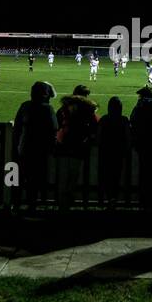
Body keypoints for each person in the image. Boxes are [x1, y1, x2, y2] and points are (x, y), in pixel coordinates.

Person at [13, 81, 57, 211]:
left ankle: (15, 205)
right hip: (39, 150)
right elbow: (54, 128)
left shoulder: (25, 106)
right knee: (35, 180)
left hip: (23, 148)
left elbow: (17, 126)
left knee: (18, 178)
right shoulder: (48, 109)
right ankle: (32, 206)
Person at [54, 84, 99, 212]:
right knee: (72, 179)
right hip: (78, 148)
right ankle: (66, 207)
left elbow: (57, 124)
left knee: (63, 179)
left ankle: (62, 208)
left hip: (63, 147)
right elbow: (95, 126)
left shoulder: (64, 107)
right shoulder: (88, 109)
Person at [97, 96, 131, 209]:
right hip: (118, 152)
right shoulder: (124, 120)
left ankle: (104, 199)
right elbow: (127, 136)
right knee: (116, 176)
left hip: (105, 152)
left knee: (105, 176)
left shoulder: (104, 119)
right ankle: (113, 199)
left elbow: (99, 136)